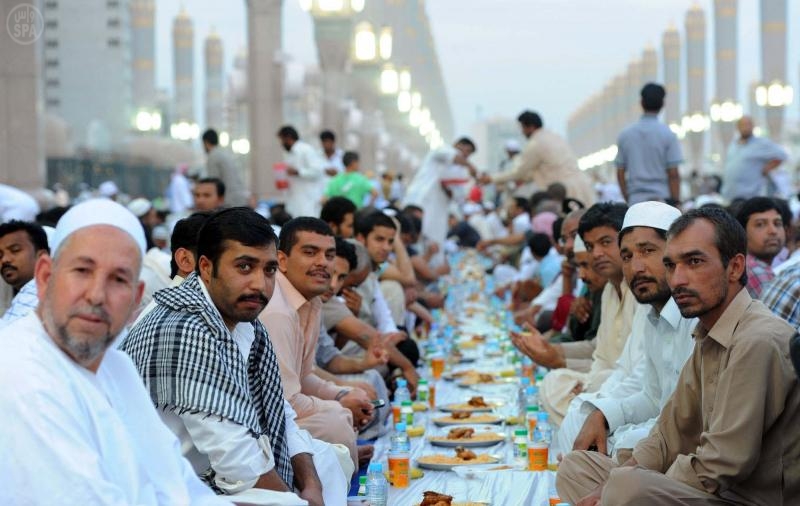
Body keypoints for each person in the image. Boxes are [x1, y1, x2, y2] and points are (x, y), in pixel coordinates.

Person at [557, 206, 800, 506]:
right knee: (577, 469)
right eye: (670, 265)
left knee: (627, 488)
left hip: (745, 497)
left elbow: (723, 464)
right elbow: (668, 434)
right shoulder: (707, 335)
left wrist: (631, 483)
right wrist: (616, 480)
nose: (678, 279)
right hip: (699, 485)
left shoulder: (757, 339)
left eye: (694, 262)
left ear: (735, 267)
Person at [0, 199, 229, 505]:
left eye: (119, 279)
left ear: (136, 298)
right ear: (44, 277)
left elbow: (179, 486)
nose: (97, 296)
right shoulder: (19, 372)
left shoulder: (116, 366)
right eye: (82, 270)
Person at [122, 208, 347, 506]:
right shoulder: (182, 328)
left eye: (269, 270)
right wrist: (296, 500)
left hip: (223, 470)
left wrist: (311, 486)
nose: (259, 284)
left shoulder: (242, 319)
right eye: (244, 267)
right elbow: (237, 459)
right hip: (175, 488)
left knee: (327, 459)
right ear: (206, 267)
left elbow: (280, 411)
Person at [555, 201, 696, 458]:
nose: (636, 267)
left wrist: (619, 434)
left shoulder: (697, 317)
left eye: (647, 251)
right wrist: (602, 414)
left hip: (687, 451)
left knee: (611, 444)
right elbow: (650, 395)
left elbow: (690, 422)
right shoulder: (653, 315)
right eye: (628, 256)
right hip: (657, 431)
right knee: (581, 415)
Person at [261, 217, 374, 469]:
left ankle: (342, 458)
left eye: (329, 255)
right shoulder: (277, 310)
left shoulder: (312, 301)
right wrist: (339, 405)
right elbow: (284, 402)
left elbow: (303, 376)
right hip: (261, 424)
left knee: (351, 402)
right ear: (282, 260)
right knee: (334, 422)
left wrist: (342, 393)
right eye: (310, 252)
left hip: (288, 410)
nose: (323, 262)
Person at [515, 203, 636, 423]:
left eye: (605, 242)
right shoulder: (609, 290)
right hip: (604, 383)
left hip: (627, 390)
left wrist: (558, 359)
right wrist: (553, 352)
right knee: (555, 383)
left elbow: (635, 374)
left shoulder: (643, 292)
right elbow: (599, 353)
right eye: (590, 246)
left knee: (577, 393)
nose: (597, 253)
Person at [483, 111, 595, 206]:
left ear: (530, 127)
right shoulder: (555, 137)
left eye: (523, 128)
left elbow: (519, 173)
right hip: (582, 186)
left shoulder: (535, 144)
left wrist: (491, 179)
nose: (522, 132)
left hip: (564, 191)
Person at [403, 137, 477, 266]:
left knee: (435, 240)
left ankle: (430, 269)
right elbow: (454, 158)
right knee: (415, 235)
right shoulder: (443, 150)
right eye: (466, 150)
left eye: (469, 153)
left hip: (439, 211)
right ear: (458, 145)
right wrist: (470, 166)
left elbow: (457, 194)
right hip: (421, 200)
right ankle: (412, 267)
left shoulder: (458, 170)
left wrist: (447, 188)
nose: (466, 155)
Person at [615, 83, 683, 205]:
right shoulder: (668, 134)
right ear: (662, 104)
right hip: (661, 199)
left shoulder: (626, 134)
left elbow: (620, 172)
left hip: (635, 199)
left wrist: (627, 197)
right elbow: (673, 174)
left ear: (641, 103)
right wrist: (676, 202)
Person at [721, 116, 788, 201]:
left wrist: (767, 168)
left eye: (748, 124)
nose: (745, 128)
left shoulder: (761, 143)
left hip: (750, 195)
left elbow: (782, 155)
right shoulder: (733, 144)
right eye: (742, 125)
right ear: (737, 127)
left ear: (753, 126)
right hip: (730, 195)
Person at [735, 196, 789, 298]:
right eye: (760, 224)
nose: (773, 231)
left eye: (777, 223)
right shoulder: (753, 270)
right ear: (742, 232)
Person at [0, 220, 49, 326]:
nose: (4, 260)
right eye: (0, 255)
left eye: (15, 250)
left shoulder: (37, 292)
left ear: (41, 257)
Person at [278, 126, 326, 218]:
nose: (281, 143)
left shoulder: (306, 150)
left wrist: (298, 172)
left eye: (282, 140)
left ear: (288, 137)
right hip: (294, 201)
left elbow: (317, 171)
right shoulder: (289, 154)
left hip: (308, 201)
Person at [202, 128, 249, 207]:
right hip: (240, 198)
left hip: (228, 201)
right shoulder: (224, 154)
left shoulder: (213, 157)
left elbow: (213, 183)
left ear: (206, 142)